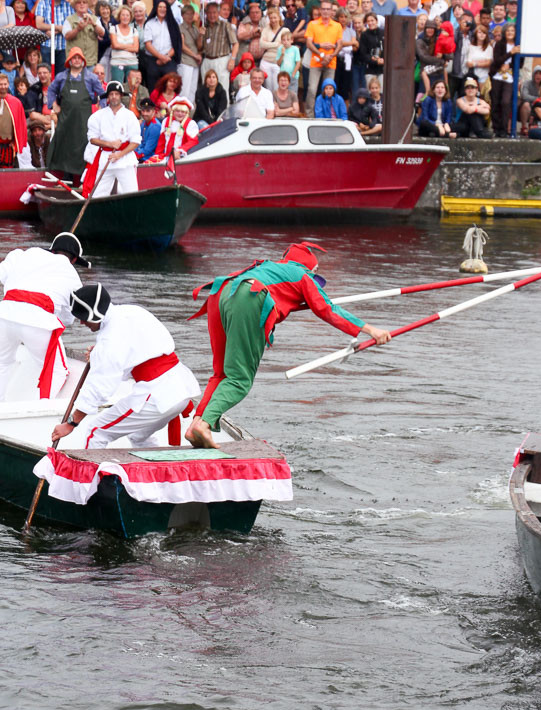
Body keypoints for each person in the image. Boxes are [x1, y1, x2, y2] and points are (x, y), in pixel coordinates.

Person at [184, 241, 391, 448]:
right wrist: (371, 330)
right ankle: (204, 424)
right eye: (316, 271)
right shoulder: (303, 275)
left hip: (222, 292)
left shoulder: (271, 268)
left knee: (221, 374)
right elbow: (327, 309)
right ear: (310, 267)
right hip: (249, 296)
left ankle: (195, 425)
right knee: (239, 379)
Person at [52, 284, 199, 451]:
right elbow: (134, 351)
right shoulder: (132, 311)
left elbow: (101, 388)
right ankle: (150, 474)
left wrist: (72, 423)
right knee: (138, 437)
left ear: (95, 314)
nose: (81, 322)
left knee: (95, 432)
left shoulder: (109, 342)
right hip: (181, 389)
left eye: (83, 317)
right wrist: (98, 355)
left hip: (157, 395)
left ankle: (93, 477)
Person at [0, 233, 88, 401]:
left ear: (52, 250)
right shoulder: (72, 276)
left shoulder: (23, 254)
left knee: (2, 363)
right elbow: (69, 318)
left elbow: (2, 275)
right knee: (57, 371)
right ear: (75, 259)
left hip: (3, 314)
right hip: (38, 321)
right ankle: (38, 408)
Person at [46, 47, 105, 178]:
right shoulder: (61, 77)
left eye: (79, 58)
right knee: (64, 147)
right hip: (65, 121)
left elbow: (103, 94)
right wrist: (54, 105)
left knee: (84, 148)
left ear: (83, 60)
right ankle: (66, 179)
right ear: (69, 61)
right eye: (74, 58)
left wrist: (101, 108)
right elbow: (50, 90)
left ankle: (84, 180)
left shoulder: (91, 77)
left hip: (83, 123)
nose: (77, 60)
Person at [83, 81, 141, 197]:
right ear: (108, 96)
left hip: (125, 160)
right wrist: (110, 144)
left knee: (132, 193)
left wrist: (119, 155)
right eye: (111, 94)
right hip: (106, 158)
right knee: (97, 194)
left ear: (121, 96)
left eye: (116, 94)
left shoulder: (130, 116)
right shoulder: (97, 116)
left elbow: (135, 141)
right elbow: (92, 139)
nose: (114, 97)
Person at [304, 1, 343, 114]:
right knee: (312, 89)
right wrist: (321, 54)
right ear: (320, 10)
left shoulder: (337, 25)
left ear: (332, 11)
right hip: (316, 61)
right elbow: (309, 43)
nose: (326, 11)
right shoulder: (313, 24)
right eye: (324, 9)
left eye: (328, 9)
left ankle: (328, 115)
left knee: (329, 89)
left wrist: (331, 56)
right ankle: (309, 115)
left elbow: (339, 44)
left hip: (331, 61)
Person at [200, 1, 238, 99]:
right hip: (207, 60)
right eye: (209, 13)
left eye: (214, 12)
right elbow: (199, 47)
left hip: (221, 60)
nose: (212, 15)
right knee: (206, 88)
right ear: (206, 13)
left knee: (222, 89)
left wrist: (232, 59)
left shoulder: (225, 25)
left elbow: (235, 44)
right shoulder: (205, 27)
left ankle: (223, 113)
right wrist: (200, 35)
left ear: (218, 13)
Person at [35, 0, 72, 74]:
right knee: (47, 73)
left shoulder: (68, 6)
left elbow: (70, 26)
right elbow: (39, 24)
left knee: (61, 75)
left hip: (63, 46)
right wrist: (59, 27)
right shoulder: (43, 4)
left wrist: (54, 30)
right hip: (47, 45)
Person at [489, 24, 518, 138]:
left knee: (506, 102)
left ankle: (504, 128)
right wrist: (511, 53)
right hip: (497, 76)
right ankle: (496, 128)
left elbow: (520, 63)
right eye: (508, 31)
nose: (510, 32)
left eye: (512, 30)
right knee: (495, 102)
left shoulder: (518, 46)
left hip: (509, 77)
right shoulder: (500, 44)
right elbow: (497, 60)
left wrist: (509, 65)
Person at [144, 0, 178, 92]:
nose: (162, 9)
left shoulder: (172, 24)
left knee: (171, 86)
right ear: (156, 8)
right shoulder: (149, 24)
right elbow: (148, 44)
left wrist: (165, 58)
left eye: (165, 7)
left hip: (169, 60)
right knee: (153, 88)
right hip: (153, 60)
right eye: (160, 7)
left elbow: (176, 44)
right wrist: (160, 57)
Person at [61, 0, 104, 67]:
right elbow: (67, 36)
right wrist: (78, 29)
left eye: (84, 2)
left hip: (90, 62)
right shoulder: (69, 20)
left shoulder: (95, 19)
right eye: (79, 2)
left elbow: (102, 33)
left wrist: (94, 24)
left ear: (87, 5)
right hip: (74, 62)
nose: (82, 4)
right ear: (75, 6)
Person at [152, 95, 200, 160]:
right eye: (177, 111)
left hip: (182, 158)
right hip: (166, 158)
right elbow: (161, 141)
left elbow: (193, 141)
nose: (180, 114)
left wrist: (180, 150)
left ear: (187, 113)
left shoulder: (190, 124)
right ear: (173, 111)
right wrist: (157, 156)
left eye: (183, 112)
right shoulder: (166, 121)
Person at [0, 73, 28, 168]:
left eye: (5, 84)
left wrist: (16, 142)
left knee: (8, 171)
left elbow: (21, 124)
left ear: (8, 84)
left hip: (8, 145)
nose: (3, 86)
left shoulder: (16, 102)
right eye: (0, 84)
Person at [108, 4, 139, 83]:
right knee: (118, 87)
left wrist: (120, 46)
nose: (125, 17)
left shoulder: (134, 30)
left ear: (130, 17)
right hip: (117, 63)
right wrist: (130, 46)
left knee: (133, 86)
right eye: (123, 15)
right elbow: (115, 45)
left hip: (132, 63)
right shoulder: (113, 29)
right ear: (119, 16)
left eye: (127, 15)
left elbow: (136, 48)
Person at [178, 3, 202, 100]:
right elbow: (182, 46)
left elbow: (199, 46)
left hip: (195, 63)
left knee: (193, 90)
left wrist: (201, 35)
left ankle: (189, 112)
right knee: (184, 89)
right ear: (183, 15)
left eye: (192, 14)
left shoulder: (195, 29)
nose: (190, 16)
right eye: (187, 14)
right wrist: (195, 56)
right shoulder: (180, 28)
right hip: (185, 61)